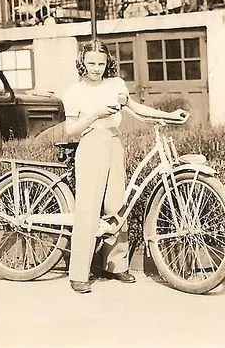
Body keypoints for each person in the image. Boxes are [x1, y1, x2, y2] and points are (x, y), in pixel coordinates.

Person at [62, 39, 186, 294]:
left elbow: (136, 110)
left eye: (101, 62)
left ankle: (116, 265)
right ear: (82, 64)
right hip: (91, 144)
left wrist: (169, 115)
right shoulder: (74, 92)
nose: (96, 68)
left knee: (117, 204)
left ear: (108, 62)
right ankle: (78, 273)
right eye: (91, 63)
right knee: (89, 208)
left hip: (114, 143)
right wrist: (94, 114)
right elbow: (70, 130)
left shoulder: (116, 85)